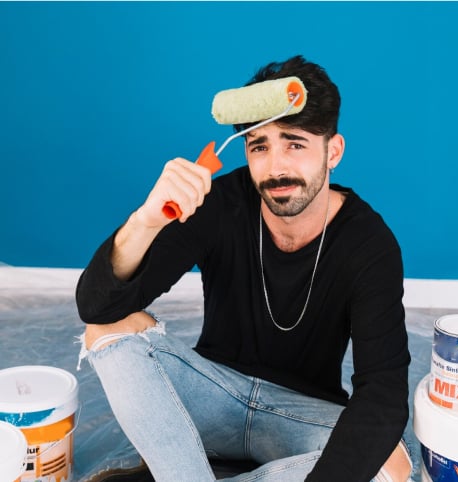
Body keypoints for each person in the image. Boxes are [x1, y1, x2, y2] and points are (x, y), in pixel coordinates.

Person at [76, 55, 412, 482]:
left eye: (294, 144)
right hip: (210, 397)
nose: (276, 168)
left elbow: (383, 393)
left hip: (300, 415)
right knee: (107, 330)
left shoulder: (369, 244)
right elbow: (97, 305)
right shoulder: (220, 204)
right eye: (259, 147)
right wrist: (146, 220)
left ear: (333, 152)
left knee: (392, 462)